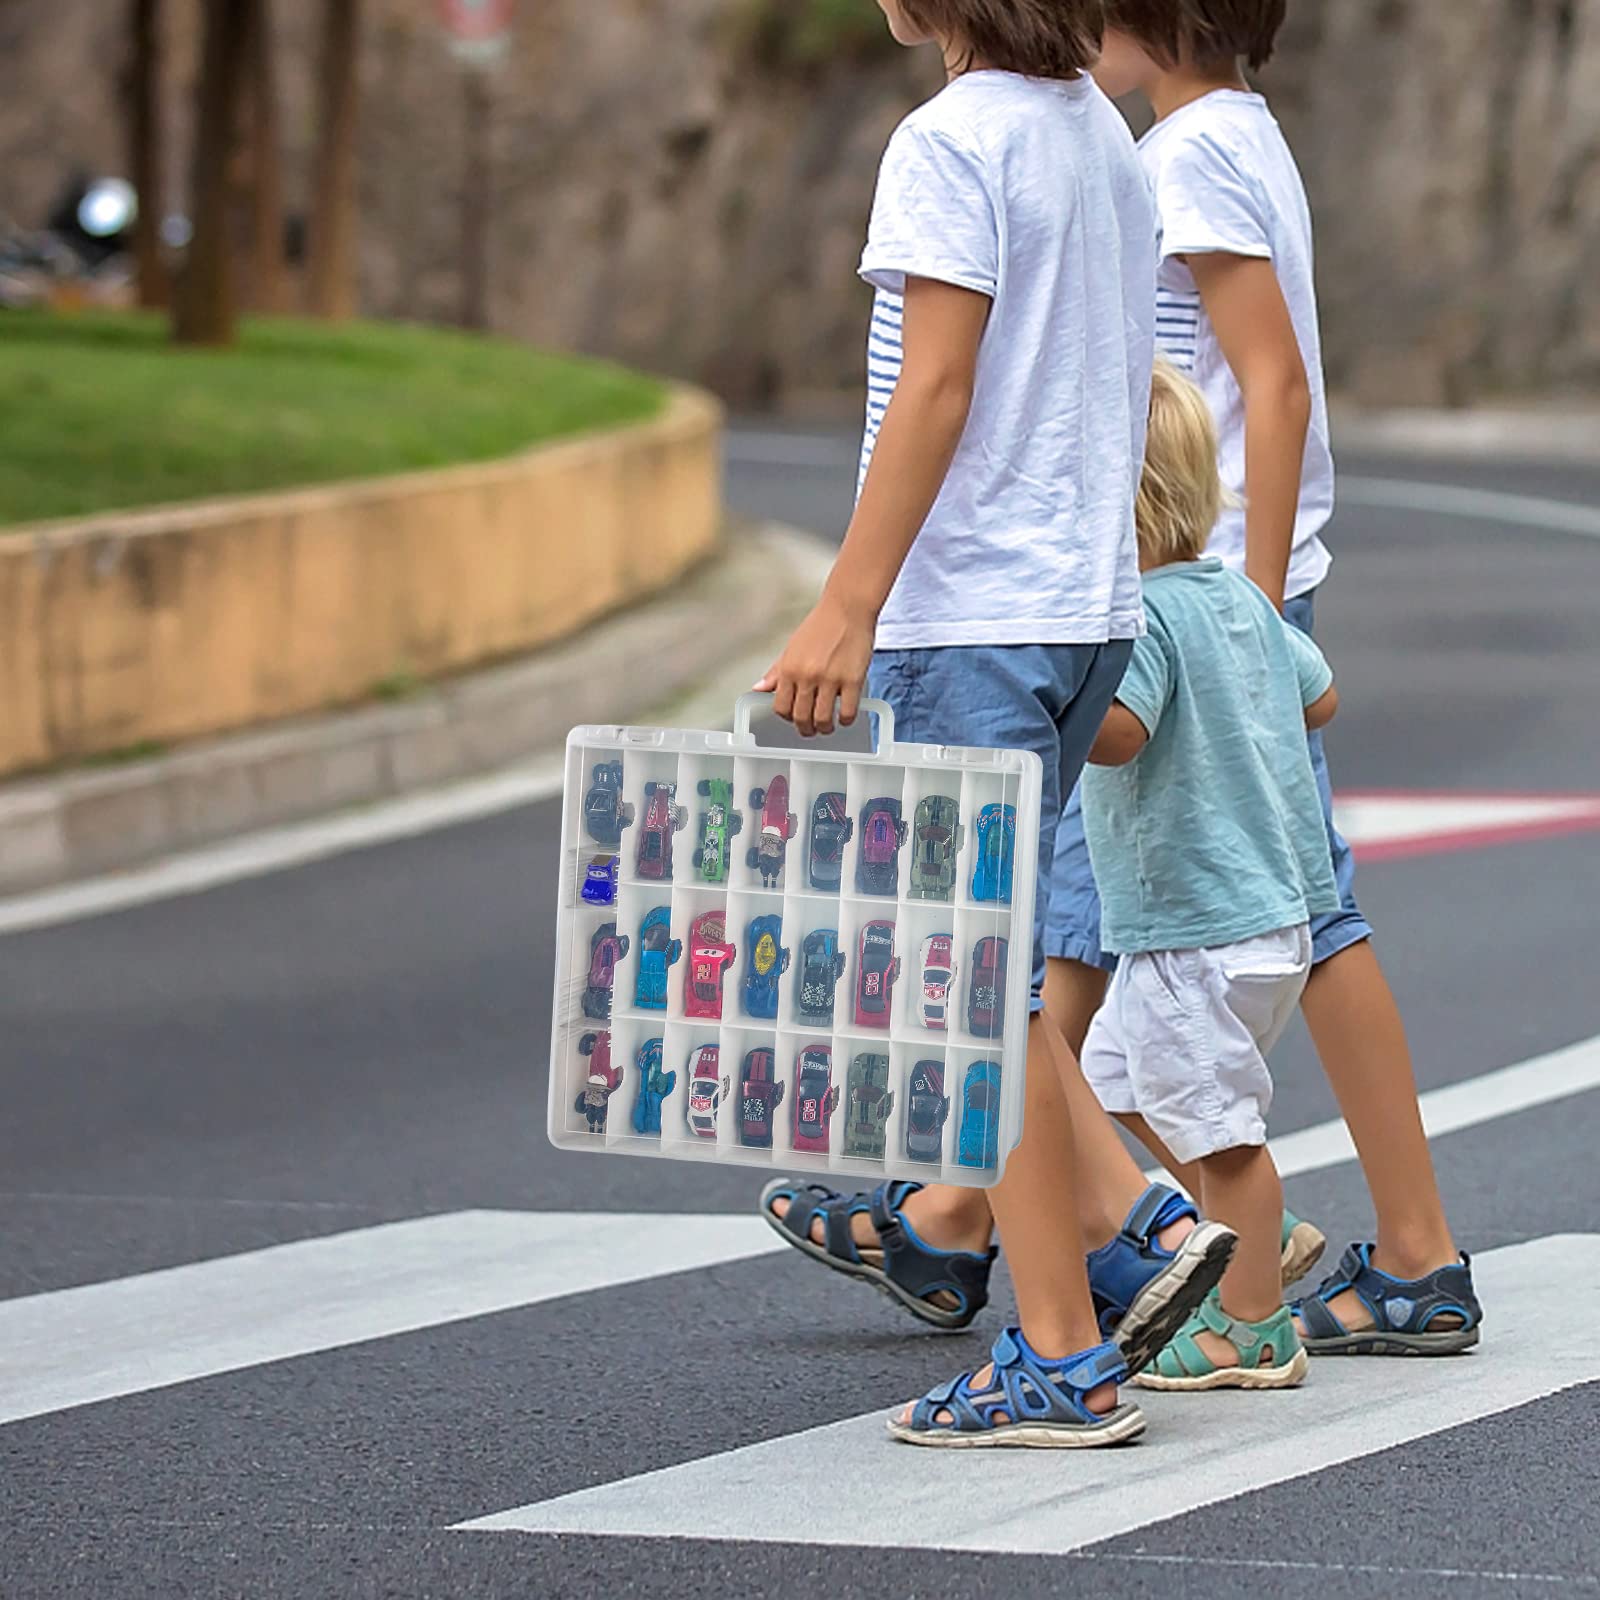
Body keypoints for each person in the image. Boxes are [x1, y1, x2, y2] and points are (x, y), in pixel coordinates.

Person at [755, 0, 1236, 1447]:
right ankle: (1129, 1233)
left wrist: (846, 603)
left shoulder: (947, 141)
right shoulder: (1102, 135)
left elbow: (938, 387)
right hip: (1086, 609)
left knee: (975, 997)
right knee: (999, 989)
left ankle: (1062, 1354)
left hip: (969, 613)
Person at [1075, 0, 1482, 1355]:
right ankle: (1255, 1231)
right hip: (1226, 584)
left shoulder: (1186, 157)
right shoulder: (1237, 131)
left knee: (1277, 908)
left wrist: (1241, 605)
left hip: (1209, 586)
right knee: (1296, 906)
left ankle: (1252, 1243)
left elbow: (1273, 379)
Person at [1080, 358, 1339, 1388]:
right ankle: (1242, 1238)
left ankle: (1250, 1325)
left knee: (1222, 1133)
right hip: (1260, 921)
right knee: (1111, 1078)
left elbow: (1119, 734)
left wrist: (1060, 692)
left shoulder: (1140, 617)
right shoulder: (1233, 596)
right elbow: (1318, 698)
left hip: (1194, 929)